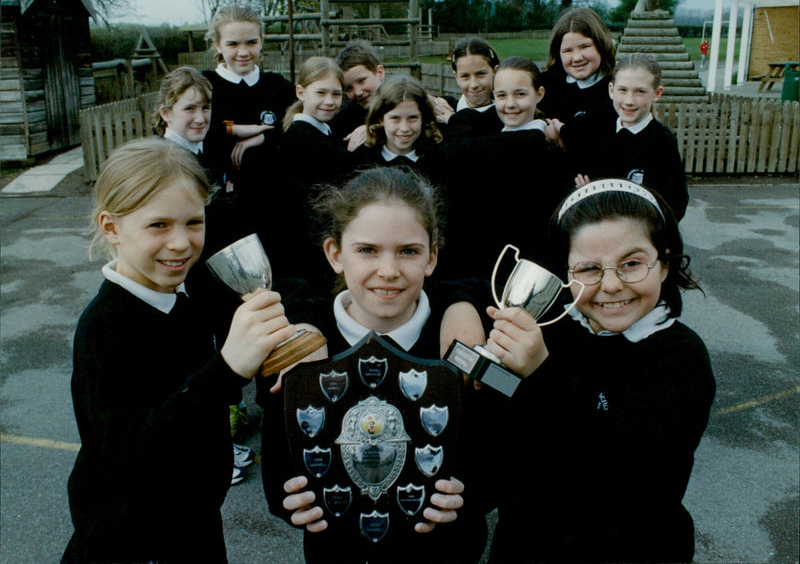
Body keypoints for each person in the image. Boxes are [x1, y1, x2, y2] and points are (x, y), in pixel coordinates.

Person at [258, 167, 533, 564]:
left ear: (432, 256)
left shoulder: (465, 347)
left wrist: (468, 492)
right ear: (335, 254)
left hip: (445, 552)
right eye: (367, 250)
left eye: (408, 251)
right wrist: (290, 500)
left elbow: (504, 447)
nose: (388, 270)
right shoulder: (301, 350)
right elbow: (279, 465)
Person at [62, 137, 297, 563]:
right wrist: (227, 371)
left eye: (193, 222)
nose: (181, 243)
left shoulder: (183, 294)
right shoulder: (105, 327)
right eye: (158, 225)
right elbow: (131, 455)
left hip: (193, 523)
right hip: (132, 541)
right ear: (111, 227)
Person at [485, 178, 716, 562]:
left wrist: (541, 375)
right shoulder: (551, 330)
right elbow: (507, 436)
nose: (611, 285)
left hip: (633, 547)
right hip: (529, 542)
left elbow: (629, 471)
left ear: (664, 264)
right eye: (589, 269)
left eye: (631, 263)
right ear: (566, 273)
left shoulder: (681, 356)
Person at [152, 66, 256, 485]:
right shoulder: (165, 159)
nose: (200, 116)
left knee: (204, 353)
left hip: (201, 274)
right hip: (178, 278)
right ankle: (212, 452)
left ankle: (216, 437)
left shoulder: (197, 151)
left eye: (206, 107)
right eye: (188, 108)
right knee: (186, 364)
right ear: (165, 112)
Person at [437, 57, 572, 280]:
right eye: (501, 96)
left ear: (539, 94)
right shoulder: (488, 135)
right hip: (476, 261)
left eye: (520, 94)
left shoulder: (541, 148)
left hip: (521, 266)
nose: (510, 104)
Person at [546, 53, 689, 221]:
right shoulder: (597, 130)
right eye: (623, 90)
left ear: (657, 93)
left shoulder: (662, 142)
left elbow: (673, 203)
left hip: (636, 234)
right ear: (611, 90)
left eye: (640, 92)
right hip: (593, 228)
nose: (629, 101)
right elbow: (575, 171)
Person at [201, 4, 295, 245]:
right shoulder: (204, 86)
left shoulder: (279, 87)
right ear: (217, 45)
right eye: (233, 44)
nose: (243, 52)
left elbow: (298, 131)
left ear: (262, 41)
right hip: (221, 209)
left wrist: (263, 137)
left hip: (276, 207)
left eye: (251, 42)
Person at [277, 56, 352, 284]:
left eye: (336, 94)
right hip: (309, 247)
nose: (329, 101)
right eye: (320, 93)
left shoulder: (324, 133)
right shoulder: (301, 140)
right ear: (301, 92)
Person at [331, 40, 454, 151]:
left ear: (380, 72)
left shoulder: (416, 102)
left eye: (362, 81)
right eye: (349, 88)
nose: (358, 92)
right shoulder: (344, 122)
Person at [539, 7, 617, 127]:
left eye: (585, 46)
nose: (577, 58)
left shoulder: (617, 89)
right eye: (567, 50)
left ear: (601, 45)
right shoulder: (546, 84)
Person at [353, 75, 443, 177]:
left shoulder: (439, 161)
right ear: (381, 119)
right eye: (395, 118)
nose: (404, 128)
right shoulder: (362, 162)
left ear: (423, 118)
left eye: (413, 118)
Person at [441, 37, 503, 138]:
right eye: (465, 76)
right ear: (456, 77)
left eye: (481, 74)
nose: (474, 84)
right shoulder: (444, 109)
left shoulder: (508, 115)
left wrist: (454, 120)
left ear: (495, 72)